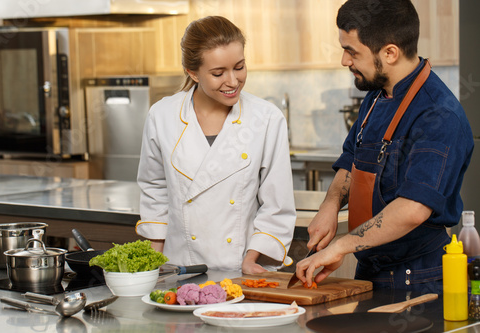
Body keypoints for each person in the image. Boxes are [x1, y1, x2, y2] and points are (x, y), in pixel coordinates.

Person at [295, 0, 474, 292]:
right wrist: (330, 206)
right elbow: (353, 157)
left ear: (390, 53)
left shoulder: (439, 115)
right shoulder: (376, 95)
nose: (344, 60)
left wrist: (342, 246)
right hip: (370, 273)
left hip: (417, 279)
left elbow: (413, 208)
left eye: (352, 51)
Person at [135, 16, 296, 274]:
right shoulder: (162, 115)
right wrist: (152, 266)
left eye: (239, 67)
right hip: (179, 269)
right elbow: (155, 190)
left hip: (241, 269)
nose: (233, 81)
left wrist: (252, 260)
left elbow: (277, 204)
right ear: (193, 73)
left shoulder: (266, 118)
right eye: (218, 73)